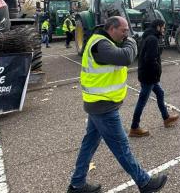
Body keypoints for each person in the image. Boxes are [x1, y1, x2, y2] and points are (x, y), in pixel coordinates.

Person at [68, 16, 168, 193]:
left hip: (98, 104)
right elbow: (126, 57)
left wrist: (126, 40)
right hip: (103, 106)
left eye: (127, 31)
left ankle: (77, 184)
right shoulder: (101, 44)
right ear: (112, 29)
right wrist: (131, 41)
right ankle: (144, 182)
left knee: (89, 144)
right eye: (124, 31)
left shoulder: (104, 40)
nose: (126, 34)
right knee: (121, 146)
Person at [129, 19, 179, 137]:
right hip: (149, 76)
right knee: (142, 101)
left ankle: (166, 118)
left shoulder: (148, 36)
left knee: (160, 93)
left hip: (147, 74)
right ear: (158, 27)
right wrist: (157, 70)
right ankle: (134, 128)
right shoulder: (152, 39)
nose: (164, 30)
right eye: (163, 27)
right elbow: (150, 59)